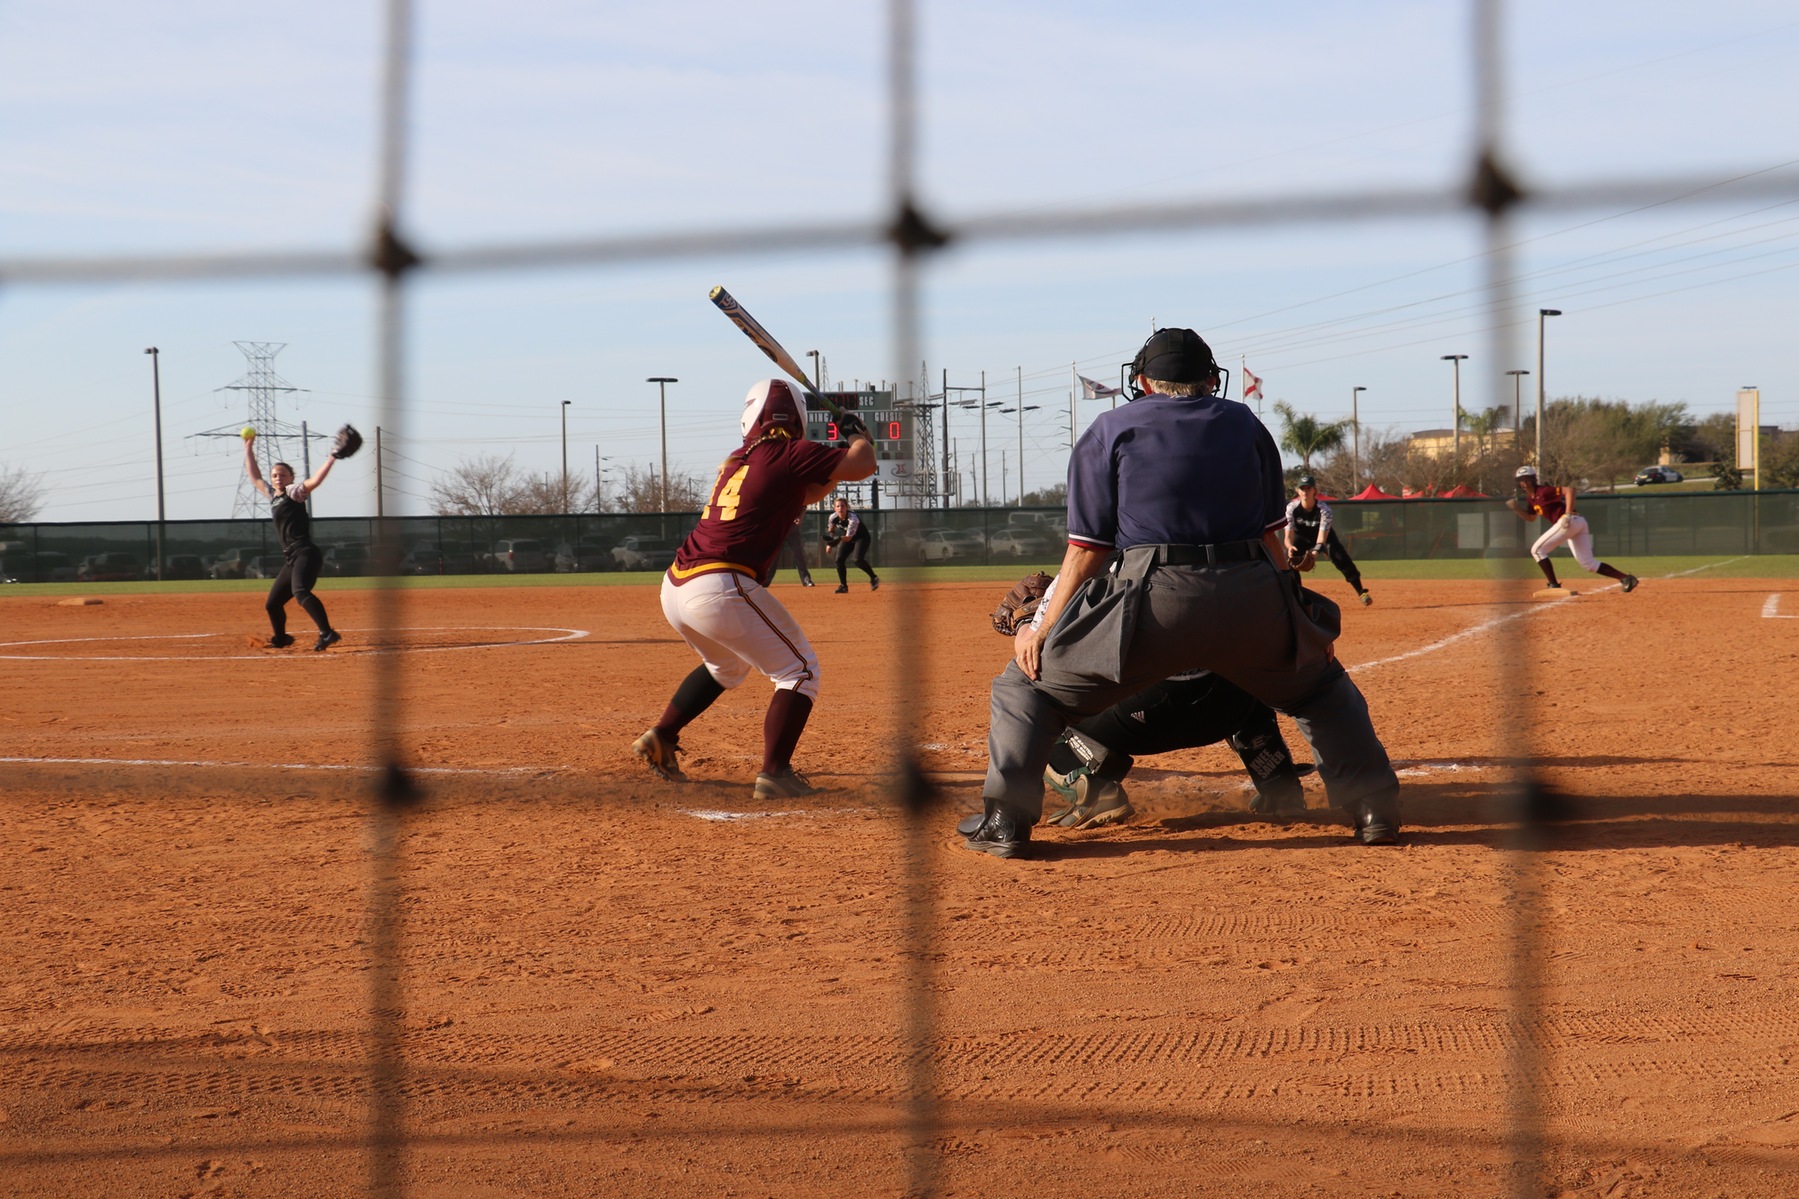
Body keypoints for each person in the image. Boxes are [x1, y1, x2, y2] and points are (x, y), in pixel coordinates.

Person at [963, 327, 1401, 859]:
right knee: (1321, 689)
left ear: (1142, 380)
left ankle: (1007, 821)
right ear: (1212, 380)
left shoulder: (1110, 429)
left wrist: (1040, 627)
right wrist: (1298, 622)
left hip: (1152, 601)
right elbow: (1270, 540)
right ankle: (1374, 808)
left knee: (1025, 689)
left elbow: (1086, 552)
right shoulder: (1245, 424)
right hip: (1252, 596)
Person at [632, 379, 876, 799]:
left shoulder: (738, 459)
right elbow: (864, 463)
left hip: (675, 586)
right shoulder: (788, 452)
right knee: (799, 672)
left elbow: (810, 490)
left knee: (726, 667)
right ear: (796, 418)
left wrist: (838, 460)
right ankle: (775, 773)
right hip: (718, 585)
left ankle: (661, 736)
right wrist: (855, 433)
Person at [243, 431, 344, 652]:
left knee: (300, 592)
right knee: (272, 604)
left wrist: (332, 457)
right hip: (292, 558)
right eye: (275, 475)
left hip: (305, 553)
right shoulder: (274, 496)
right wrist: (248, 448)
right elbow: (255, 477)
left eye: (283, 475)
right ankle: (281, 638)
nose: (278, 478)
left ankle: (327, 633)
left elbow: (315, 480)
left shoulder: (293, 493)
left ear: (291, 478)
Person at [1507, 466, 1638, 593]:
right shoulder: (1531, 498)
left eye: (1527, 479)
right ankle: (1626, 578)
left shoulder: (1543, 491)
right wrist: (1517, 509)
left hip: (1570, 521)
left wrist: (1568, 514)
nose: (1524, 482)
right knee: (1588, 564)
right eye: (1521, 480)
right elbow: (1531, 518)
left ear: (1533, 479)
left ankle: (1553, 584)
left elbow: (1569, 490)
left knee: (1537, 550)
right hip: (1576, 523)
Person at [1285, 475, 1372, 606]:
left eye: (1308, 488)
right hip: (1302, 538)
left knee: (1340, 557)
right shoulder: (1292, 508)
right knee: (1289, 559)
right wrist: (1290, 547)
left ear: (1315, 491)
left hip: (1324, 538)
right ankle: (1298, 595)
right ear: (1298, 491)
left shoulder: (1324, 510)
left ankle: (1361, 591)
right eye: (1302, 488)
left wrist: (1315, 552)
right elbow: (1288, 536)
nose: (1305, 491)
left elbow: (1321, 538)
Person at [823, 496, 879, 593]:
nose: (840, 508)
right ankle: (843, 586)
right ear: (834, 508)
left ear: (847, 507)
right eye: (838, 506)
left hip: (861, 537)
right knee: (839, 560)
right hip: (847, 537)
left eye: (843, 506)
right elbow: (831, 531)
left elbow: (848, 538)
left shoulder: (853, 518)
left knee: (857, 559)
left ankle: (874, 578)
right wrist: (829, 544)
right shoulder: (832, 517)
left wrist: (837, 540)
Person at [775, 514, 816, 586]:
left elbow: (804, 506)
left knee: (798, 553)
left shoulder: (793, 502)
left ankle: (806, 579)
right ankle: (765, 581)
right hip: (778, 528)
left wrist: (800, 517)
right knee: (773, 555)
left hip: (792, 528)